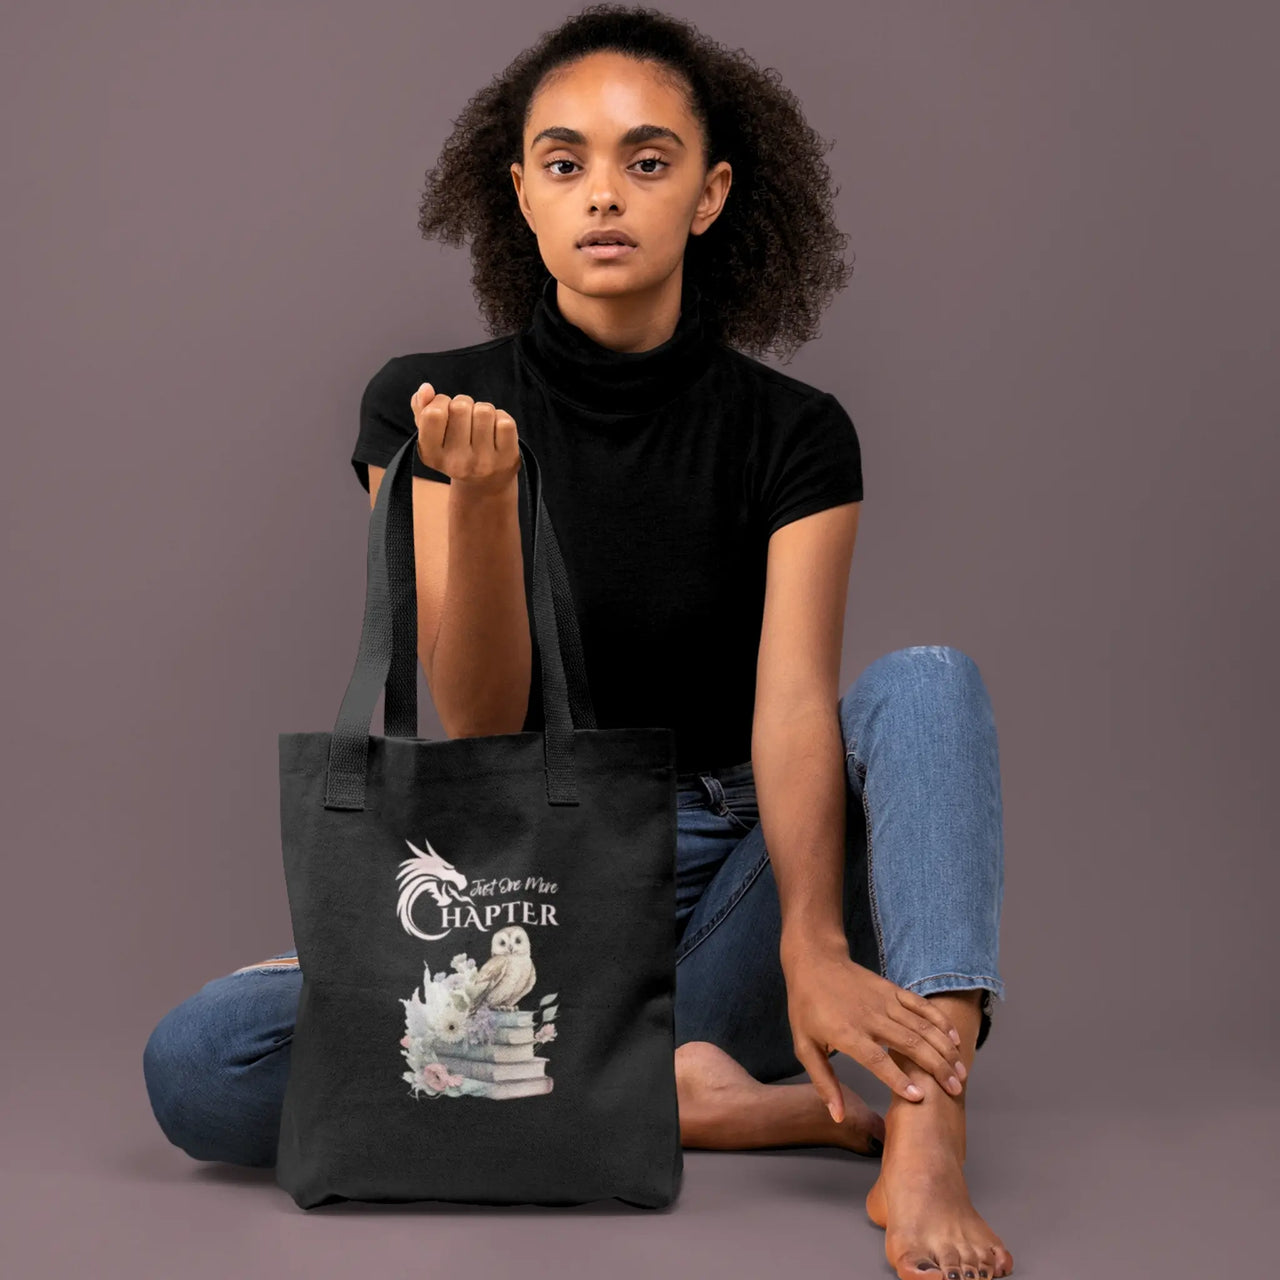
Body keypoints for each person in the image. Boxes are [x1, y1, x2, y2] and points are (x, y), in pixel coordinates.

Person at [143, 8, 1010, 1277]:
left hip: (737, 897)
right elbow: (482, 726)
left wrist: (813, 941)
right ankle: (698, 1101)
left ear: (710, 195)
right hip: (530, 904)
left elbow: (791, 709)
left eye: (646, 161)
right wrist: (483, 506)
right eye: (564, 163)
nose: (603, 193)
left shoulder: (795, 431)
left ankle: (927, 1136)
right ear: (520, 195)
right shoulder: (424, 403)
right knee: (203, 1066)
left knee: (926, 684)